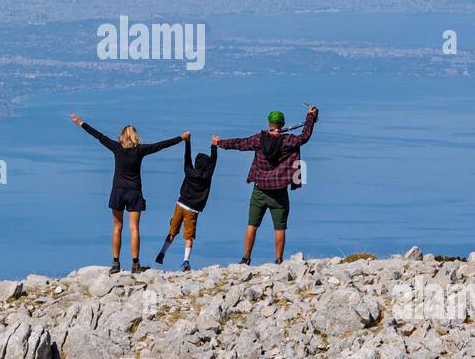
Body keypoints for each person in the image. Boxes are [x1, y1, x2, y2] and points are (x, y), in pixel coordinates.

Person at [70, 113, 187, 273]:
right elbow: (161, 145)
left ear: (122, 136)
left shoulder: (116, 147)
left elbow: (98, 135)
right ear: (135, 136)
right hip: (134, 192)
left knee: (117, 227)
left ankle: (116, 264)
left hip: (118, 191)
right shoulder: (140, 150)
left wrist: (80, 122)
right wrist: (181, 138)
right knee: (134, 228)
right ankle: (135, 264)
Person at [213, 105, 318, 265]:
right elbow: (305, 136)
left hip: (259, 191)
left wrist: (220, 142)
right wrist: (310, 116)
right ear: (282, 124)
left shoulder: (258, 139)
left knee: (252, 225)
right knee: (280, 228)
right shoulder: (288, 140)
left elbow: (240, 144)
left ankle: (245, 258)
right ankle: (278, 260)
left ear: (269, 123)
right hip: (279, 193)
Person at [153, 134, 217, 271]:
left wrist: (187, 142)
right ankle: (186, 261)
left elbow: (187, 158)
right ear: (207, 167)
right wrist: (214, 146)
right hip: (192, 210)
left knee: (172, 231)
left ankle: (162, 252)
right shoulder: (207, 176)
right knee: (189, 236)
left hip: (180, 204)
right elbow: (213, 163)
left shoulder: (189, 172)